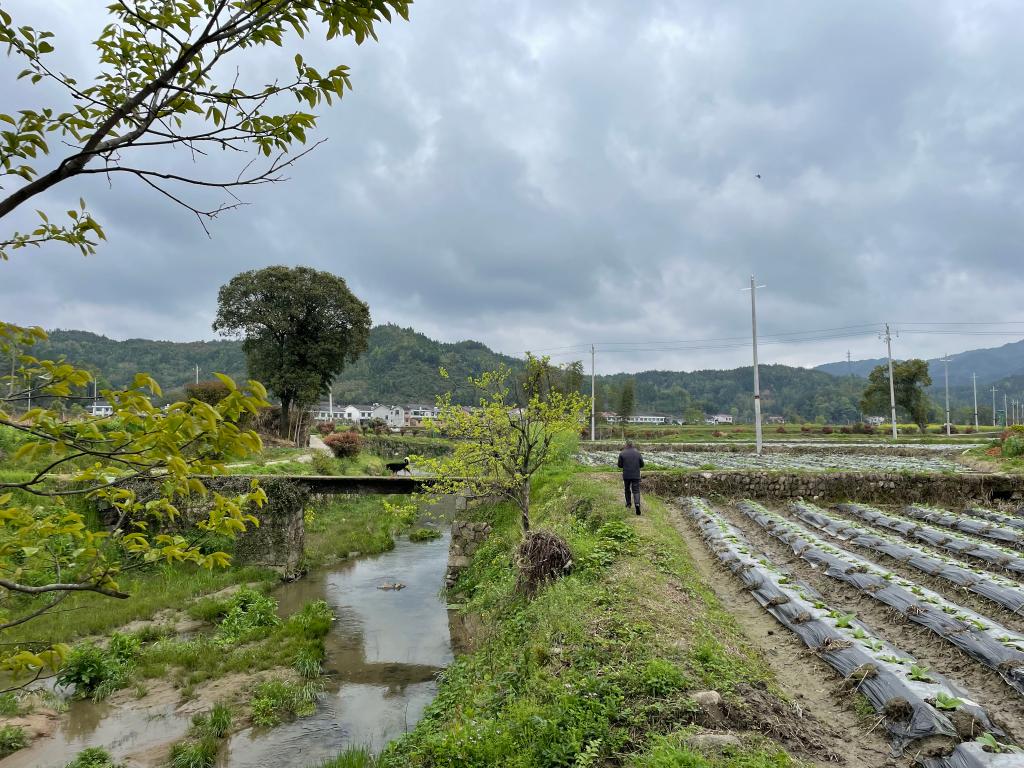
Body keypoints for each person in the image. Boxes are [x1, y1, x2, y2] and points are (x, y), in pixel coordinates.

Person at [617, 440, 644, 515]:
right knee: (636, 490)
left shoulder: (622, 453)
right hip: (636, 475)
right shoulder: (637, 453)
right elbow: (642, 464)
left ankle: (628, 504)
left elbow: (619, 465)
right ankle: (637, 504)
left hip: (627, 475)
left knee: (627, 489)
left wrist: (625, 465)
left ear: (626, 445)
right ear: (633, 445)